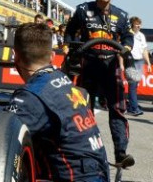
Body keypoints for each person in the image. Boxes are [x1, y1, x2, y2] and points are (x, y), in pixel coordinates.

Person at [8, 24, 109, 182]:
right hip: (98, 172)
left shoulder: (30, 97)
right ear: (52, 56)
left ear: (16, 57)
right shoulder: (66, 82)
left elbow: (3, 139)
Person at [63, 0, 135, 167]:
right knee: (83, 110)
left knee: (117, 109)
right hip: (88, 64)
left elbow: (128, 36)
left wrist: (126, 48)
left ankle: (121, 154)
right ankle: (84, 150)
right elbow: (70, 31)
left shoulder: (121, 15)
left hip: (111, 66)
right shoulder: (82, 10)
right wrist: (68, 48)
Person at [127, 16, 150, 116]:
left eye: (139, 24)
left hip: (139, 61)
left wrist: (148, 63)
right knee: (132, 85)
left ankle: (132, 105)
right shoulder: (128, 34)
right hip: (130, 61)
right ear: (132, 24)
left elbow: (144, 50)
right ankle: (134, 108)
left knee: (135, 85)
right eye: (137, 24)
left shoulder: (141, 36)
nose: (139, 26)